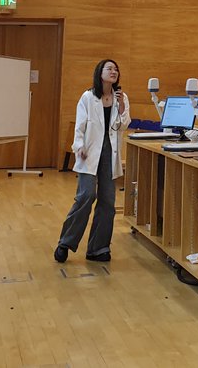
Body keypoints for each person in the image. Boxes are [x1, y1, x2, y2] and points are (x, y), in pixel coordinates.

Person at [56, 58, 131, 263]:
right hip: (89, 153)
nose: (113, 72)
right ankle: (65, 242)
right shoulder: (88, 97)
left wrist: (123, 105)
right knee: (86, 196)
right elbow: (80, 125)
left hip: (110, 153)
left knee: (107, 201)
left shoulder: (120, 98)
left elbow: (123, 125)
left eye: (116, 69)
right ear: (100, 73)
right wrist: (78, 146)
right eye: (109, 68)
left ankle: (98, 248)